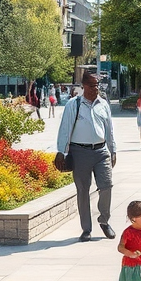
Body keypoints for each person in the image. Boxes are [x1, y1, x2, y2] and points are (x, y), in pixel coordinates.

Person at [57, 72, 117, 242]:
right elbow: (65, 128)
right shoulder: (73, 104)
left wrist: (112, 150)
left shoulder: (103, 104)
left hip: (101, 152)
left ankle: (104, 220)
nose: (95, 89)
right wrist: (61, 151)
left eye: (97, 85)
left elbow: (109, 129)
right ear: (83, 86)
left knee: (106, 186)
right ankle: (86, 229)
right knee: (83, 190)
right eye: (91, 85)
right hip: (79, 152)